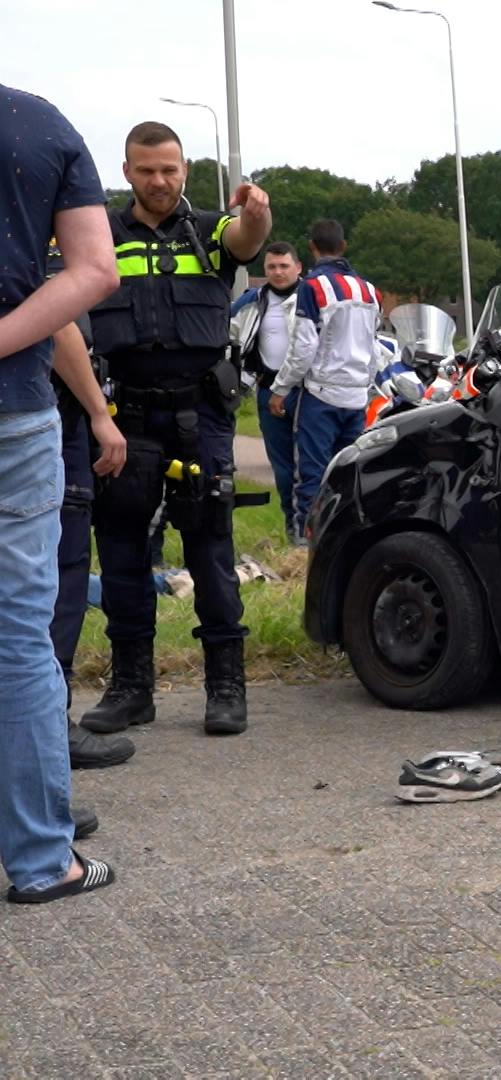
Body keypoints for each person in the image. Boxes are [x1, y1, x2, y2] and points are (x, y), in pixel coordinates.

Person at [79, 121, 271, 739]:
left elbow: (247, 239)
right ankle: (131, 687)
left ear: (185, 169)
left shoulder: (209, 228)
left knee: (211, 550)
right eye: (146, 170)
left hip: (200, 417)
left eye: (169, 169)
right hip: (123, 419)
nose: (158, 181)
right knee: (123, 552)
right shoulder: (101, 233)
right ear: (128, 171)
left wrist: (258, 214)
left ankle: (225, 686)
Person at [0, 83, 120, 904]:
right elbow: (93, 272)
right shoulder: (39, 126)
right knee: (17, 638)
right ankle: (44, 860)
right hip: (12, 417)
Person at [45, 241, 136, 770]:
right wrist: (100, 414)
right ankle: (48, 731)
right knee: (59, 578)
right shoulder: (30, 234)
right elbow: (60, 327)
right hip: (49, 424)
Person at [268, 219, 380, 542]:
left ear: (312, 248)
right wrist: (367, 387)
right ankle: (346, 540)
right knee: (348, 474)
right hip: (357, 396)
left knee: (312, 474)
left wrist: (281, 388)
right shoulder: (370, 290)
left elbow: (303, 347)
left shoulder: (312, 287)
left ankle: (308, 544)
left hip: (321, 396)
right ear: (343, 246)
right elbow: (374, 346)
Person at [230, 241, 303, 540]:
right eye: (272, 266)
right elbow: (226, 332)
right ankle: (293, 526)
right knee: (283, 468)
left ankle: (317, 526)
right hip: (267, 389)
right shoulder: (252, 302)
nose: (278, 272)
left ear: (299, 268)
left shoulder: (316, 300)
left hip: (308, 391)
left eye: (284, 266)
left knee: (312, 465)